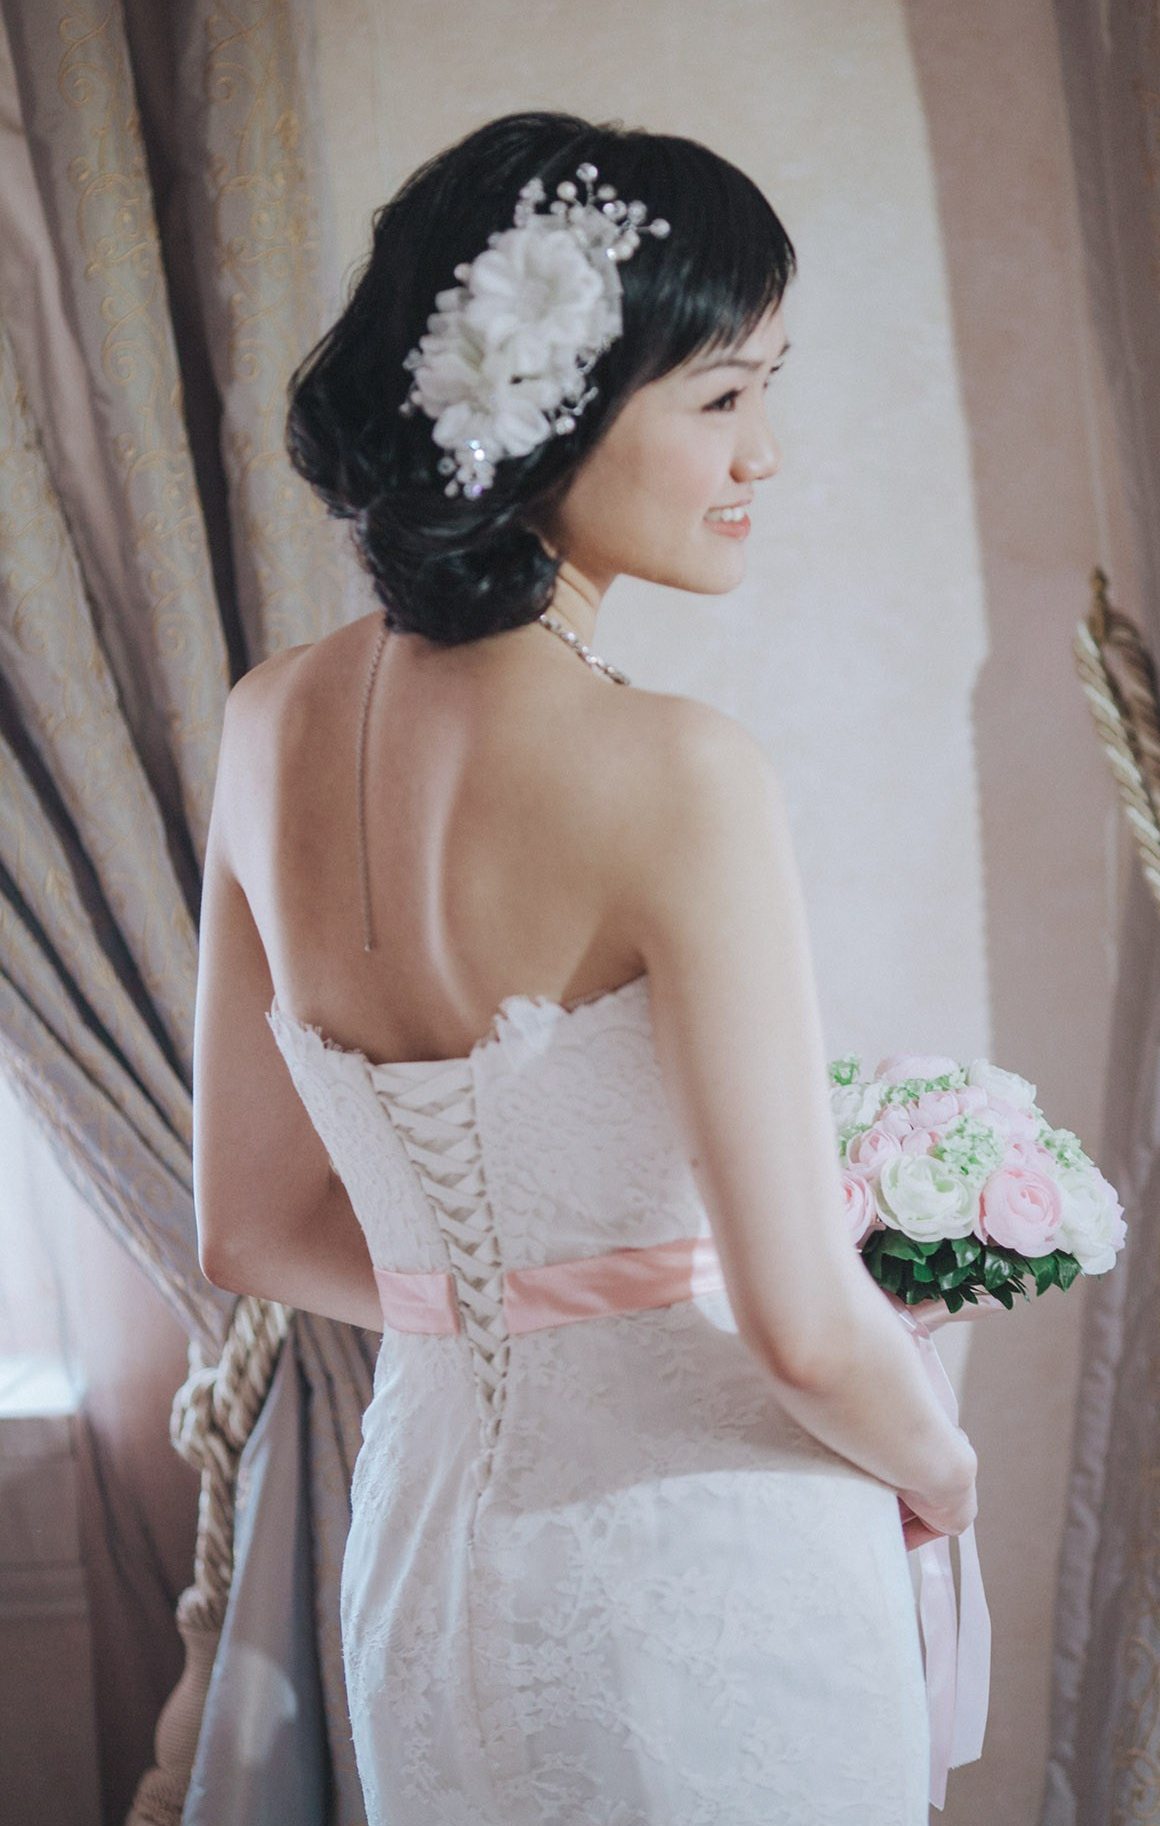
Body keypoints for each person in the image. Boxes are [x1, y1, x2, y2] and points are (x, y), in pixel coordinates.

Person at [192, 110, 977, 1825]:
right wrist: (941, 1467)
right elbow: (800, 1326)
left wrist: (498, 1316)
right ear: (551, 405)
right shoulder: (675, 767)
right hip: (712, 1566)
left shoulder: (265, 723)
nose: (765, 454)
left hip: (425, 1565)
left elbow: (248, 1228)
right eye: (721, 397)